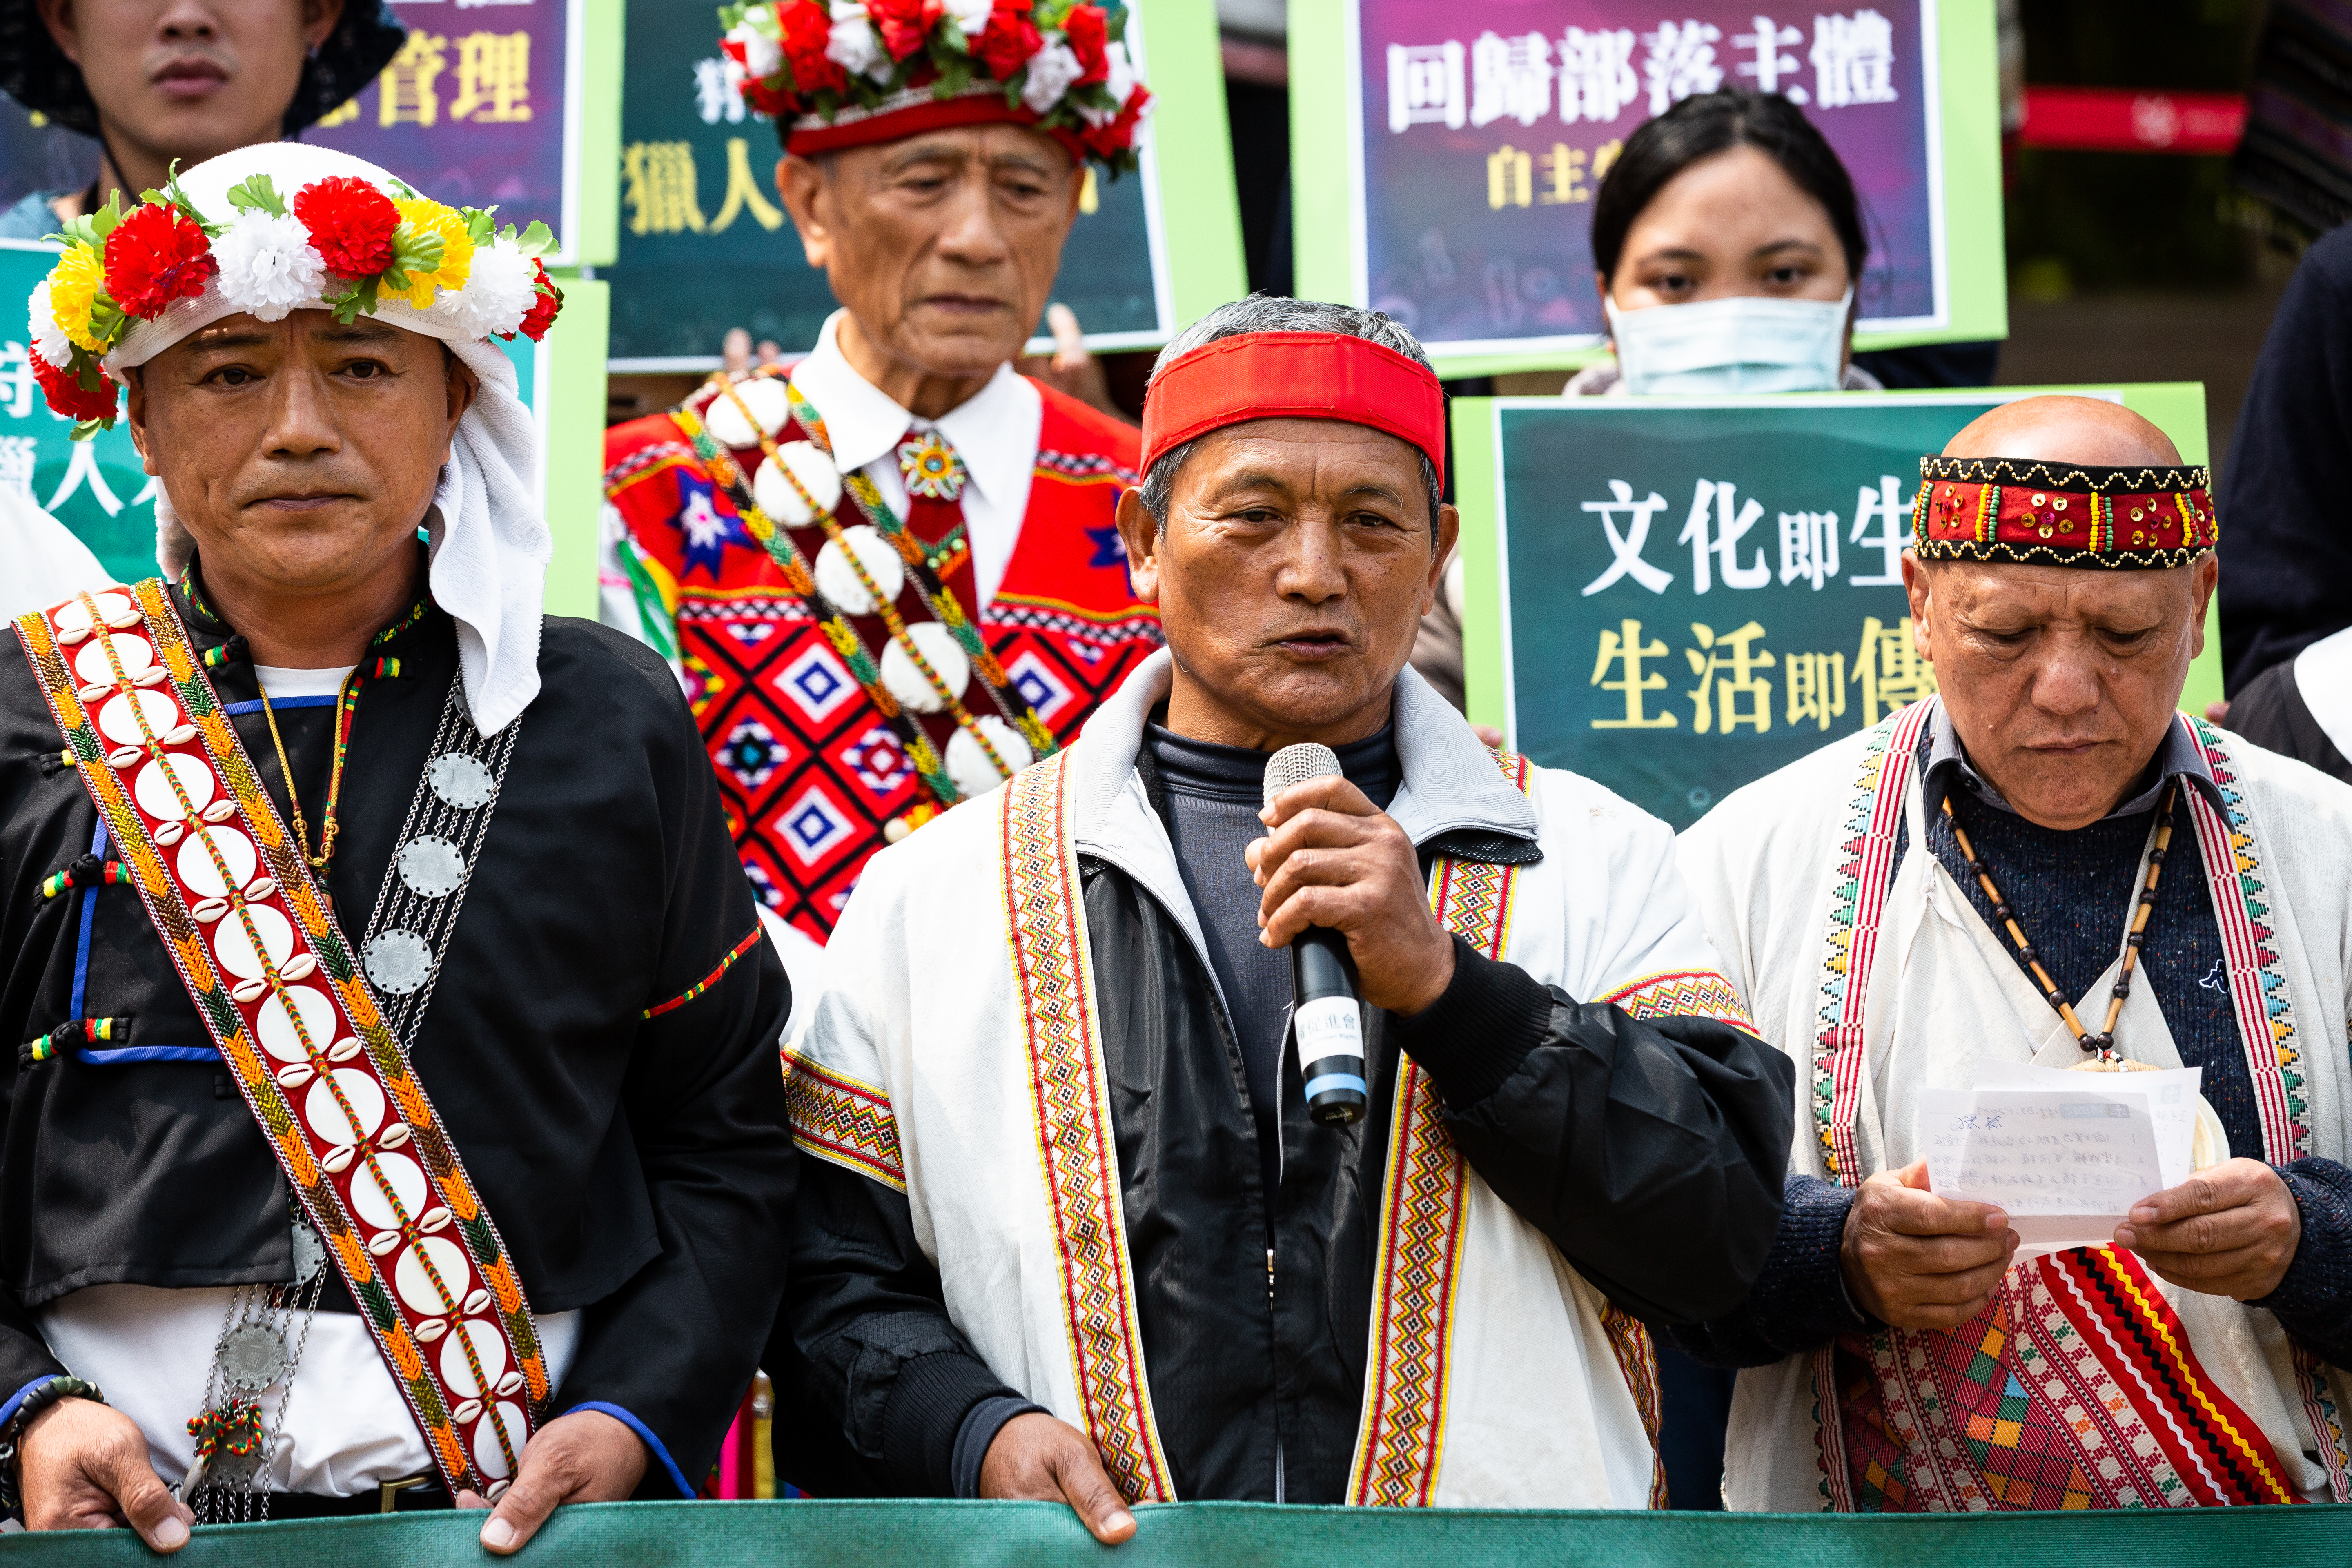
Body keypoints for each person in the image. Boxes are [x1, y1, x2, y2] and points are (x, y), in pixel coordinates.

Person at [778, 296, 1795, 1530]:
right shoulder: (934, 896)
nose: (1314, 571)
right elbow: (823, 1277)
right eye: (1253, 516)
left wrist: (1452, 991)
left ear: (1438, 556)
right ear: (1144, 539)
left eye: (1371, 522)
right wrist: (969, 1424)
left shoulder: (1595, 856)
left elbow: (1721, 1242)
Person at [2, 143, 794, 1547]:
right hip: (100, 1532)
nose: (299, 426)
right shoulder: (24, 716)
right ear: (141, 422)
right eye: (231, 372)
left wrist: (632, 1415)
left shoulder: (604, 717)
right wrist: (24, 1408)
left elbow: (720, 1138)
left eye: (363, 368)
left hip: (504, 1534)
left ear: (459, 405)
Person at [1675, 394, 2352, 1511]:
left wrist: (2307, 1241)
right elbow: (1650, 1247)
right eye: (2005, 633)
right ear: (1921, 605)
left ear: (2199, 607)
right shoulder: (1747, 864)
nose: (2068, 688)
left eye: (2127, 637)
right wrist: (1835, 1256)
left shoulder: (2329, 858)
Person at [600, 1, 1163, 956]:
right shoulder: (643, 496)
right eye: (924, 181)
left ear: (1071, 211)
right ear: (811, 205)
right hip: (742, 1084)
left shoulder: (1158, 504)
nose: (977, 238)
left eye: (1024, 189)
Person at [1, 0, 403, 239]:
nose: (188, 19)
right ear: (66, 21)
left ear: (315, 15)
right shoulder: (12, 264)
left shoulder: (421, 291)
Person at [1568, 89, 1878, 397]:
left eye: (1784, 274)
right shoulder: (1529, 448)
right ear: (1608, 307)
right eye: (1674, 281)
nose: (1731, 329)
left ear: (1853, 288)